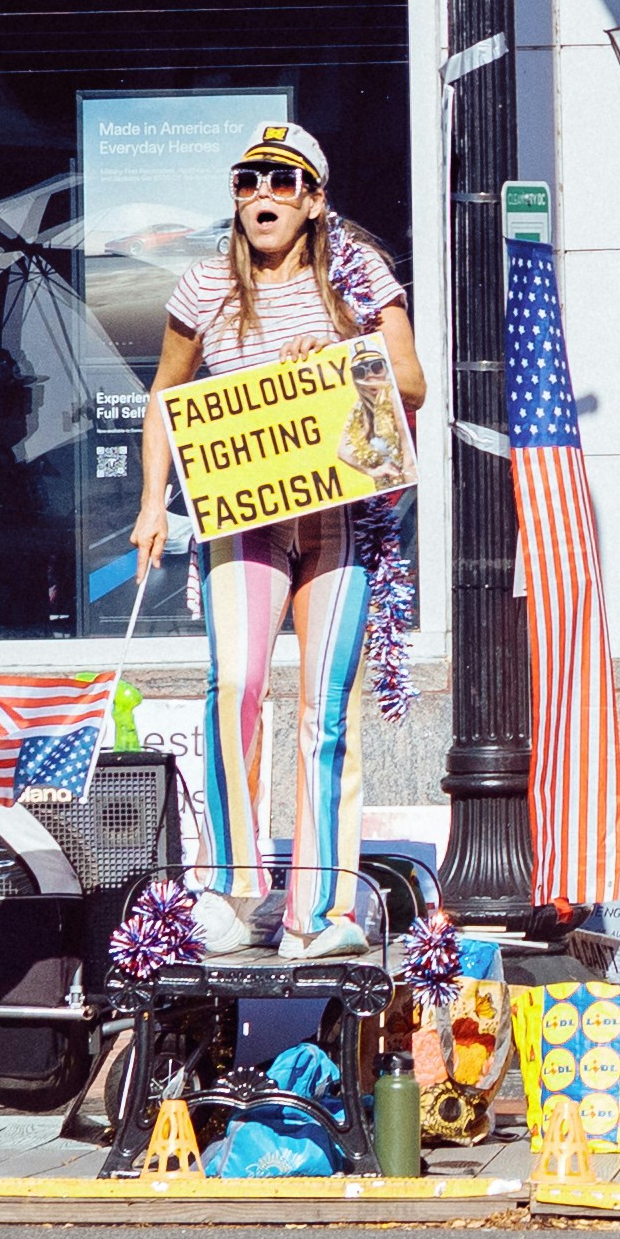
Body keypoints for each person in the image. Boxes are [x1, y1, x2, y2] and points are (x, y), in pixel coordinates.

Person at [127, 121, 425, 959]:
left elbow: (410, 384)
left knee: (326, 711)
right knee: (237, 687)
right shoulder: (205, 284)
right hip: (243, 517)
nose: (263, 192)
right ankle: (231, 886)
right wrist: (153, 502)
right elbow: (164, 394)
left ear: (315, 198)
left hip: (337, 518)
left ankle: (321, 908)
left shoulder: (359, 274)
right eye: (248, 178)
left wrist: (341, 350)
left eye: (284, 179)